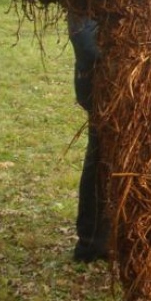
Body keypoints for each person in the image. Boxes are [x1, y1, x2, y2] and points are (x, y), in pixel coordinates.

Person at [68, 14, 110, 263]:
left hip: (135, 84)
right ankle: (92, 243)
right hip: (101, 87)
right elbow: (86, 44)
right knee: (101, 158)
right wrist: (127, 56)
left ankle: (122, 235)